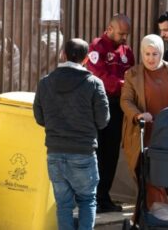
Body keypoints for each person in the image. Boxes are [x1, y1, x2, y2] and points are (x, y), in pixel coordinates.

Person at [34, 39, 110, 230]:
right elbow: (103, 121)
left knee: (63, 204)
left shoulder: (45, 83)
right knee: (87, 200)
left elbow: (40, 118)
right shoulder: (94, 84)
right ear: (86, 59)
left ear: (63, 55)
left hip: (55, 153)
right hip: (83, 152)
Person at [120, 35, 168, 214]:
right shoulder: (132, 74)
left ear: (161, 53)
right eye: (147, 54)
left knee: (164, 174)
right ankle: (156, 215)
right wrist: (138, 115)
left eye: (155, 54)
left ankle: (158, 215)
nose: (150, 58)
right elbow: (126, 100)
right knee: (147, 174)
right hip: (143, 133)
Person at [84, 14, 134, 213]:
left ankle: (104, 197)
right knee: (97, 152)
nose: (124, 37)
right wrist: (124, 85)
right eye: (121, 33)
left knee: (111, 154)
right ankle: (92, 198)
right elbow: (99, 77)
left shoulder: (127, 51)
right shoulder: (97, 47)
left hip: (118, 107)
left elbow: (133, 76)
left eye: (127, 34)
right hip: (98, 105)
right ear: (110, 29)